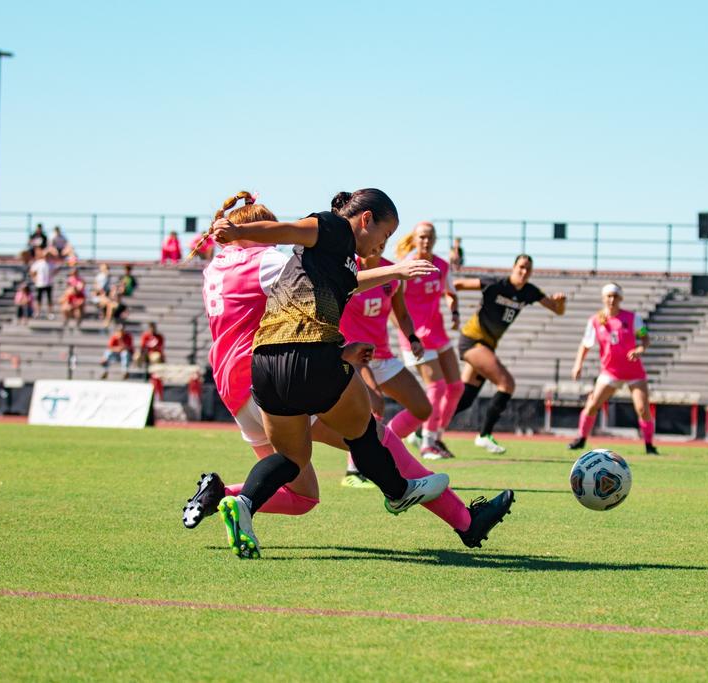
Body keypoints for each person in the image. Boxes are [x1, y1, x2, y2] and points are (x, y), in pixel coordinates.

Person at [191, 191, 511, 557]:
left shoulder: (215, 268)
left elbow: (324, 281)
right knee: (374, 434)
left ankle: (232, 497)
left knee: (301, 490)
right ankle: (454, 516)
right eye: (384, 234)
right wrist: (391, 274)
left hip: (247, 380)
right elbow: (296, 239)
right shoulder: (268, 257)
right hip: (287, 365)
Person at [453, 255, 567, 453]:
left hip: (487, 345)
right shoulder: (496, 284)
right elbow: (458, 284)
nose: (524, 272)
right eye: (521, 267)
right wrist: (444, 301)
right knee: (507, 383)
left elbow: (557, 310)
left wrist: (561, 302)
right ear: (513, 267)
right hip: (472, 340)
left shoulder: (530, 291)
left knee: (464, 399)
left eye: (528, 269)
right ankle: (484, 435)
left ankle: (422, 427)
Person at [339, 244, 432, 482]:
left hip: (382, 355)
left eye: (383, 239)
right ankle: (354, 470)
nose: (377, 244)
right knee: (375, 405)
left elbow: (401, 314)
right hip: (355, 355)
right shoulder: (347, 270)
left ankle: (386, 444)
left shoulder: (393, 272)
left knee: (423, 408)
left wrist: (413, 338)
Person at [394, 222, 463, 459]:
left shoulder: (442, 266)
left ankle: (436, 435)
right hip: (415, 336)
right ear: (414, 239)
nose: (426, 241)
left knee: (456, 387)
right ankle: (426, 443)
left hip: (437, 332)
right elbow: (395, 305)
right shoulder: (406, 267)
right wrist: (408, 335)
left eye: (430, 237)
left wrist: (454, 312)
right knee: (437, 387)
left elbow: (450, 292)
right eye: (422, 237)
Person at [569, 283, 658, 454]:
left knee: (642, 408)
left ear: (621, 298)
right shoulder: (595, 320)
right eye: (608, 296)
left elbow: (645, 338)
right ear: (603, 298)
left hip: (634, 372)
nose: (612, 300)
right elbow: (585, 345)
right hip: (610, 372)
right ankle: (580, 439)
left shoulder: (633, 318)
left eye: (615, 296)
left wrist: (639, 349)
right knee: (593, 405)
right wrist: (578, 364)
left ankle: (649, 445)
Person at [29, 249, 54, 319]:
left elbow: (53, 272)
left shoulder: (51, 263)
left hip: (48, 283)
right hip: (40, 284)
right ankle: (37, 312)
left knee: (49, 299)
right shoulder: (39, 263)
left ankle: (50, 313)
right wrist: (34, 279)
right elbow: (32, 271)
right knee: (39, 299)